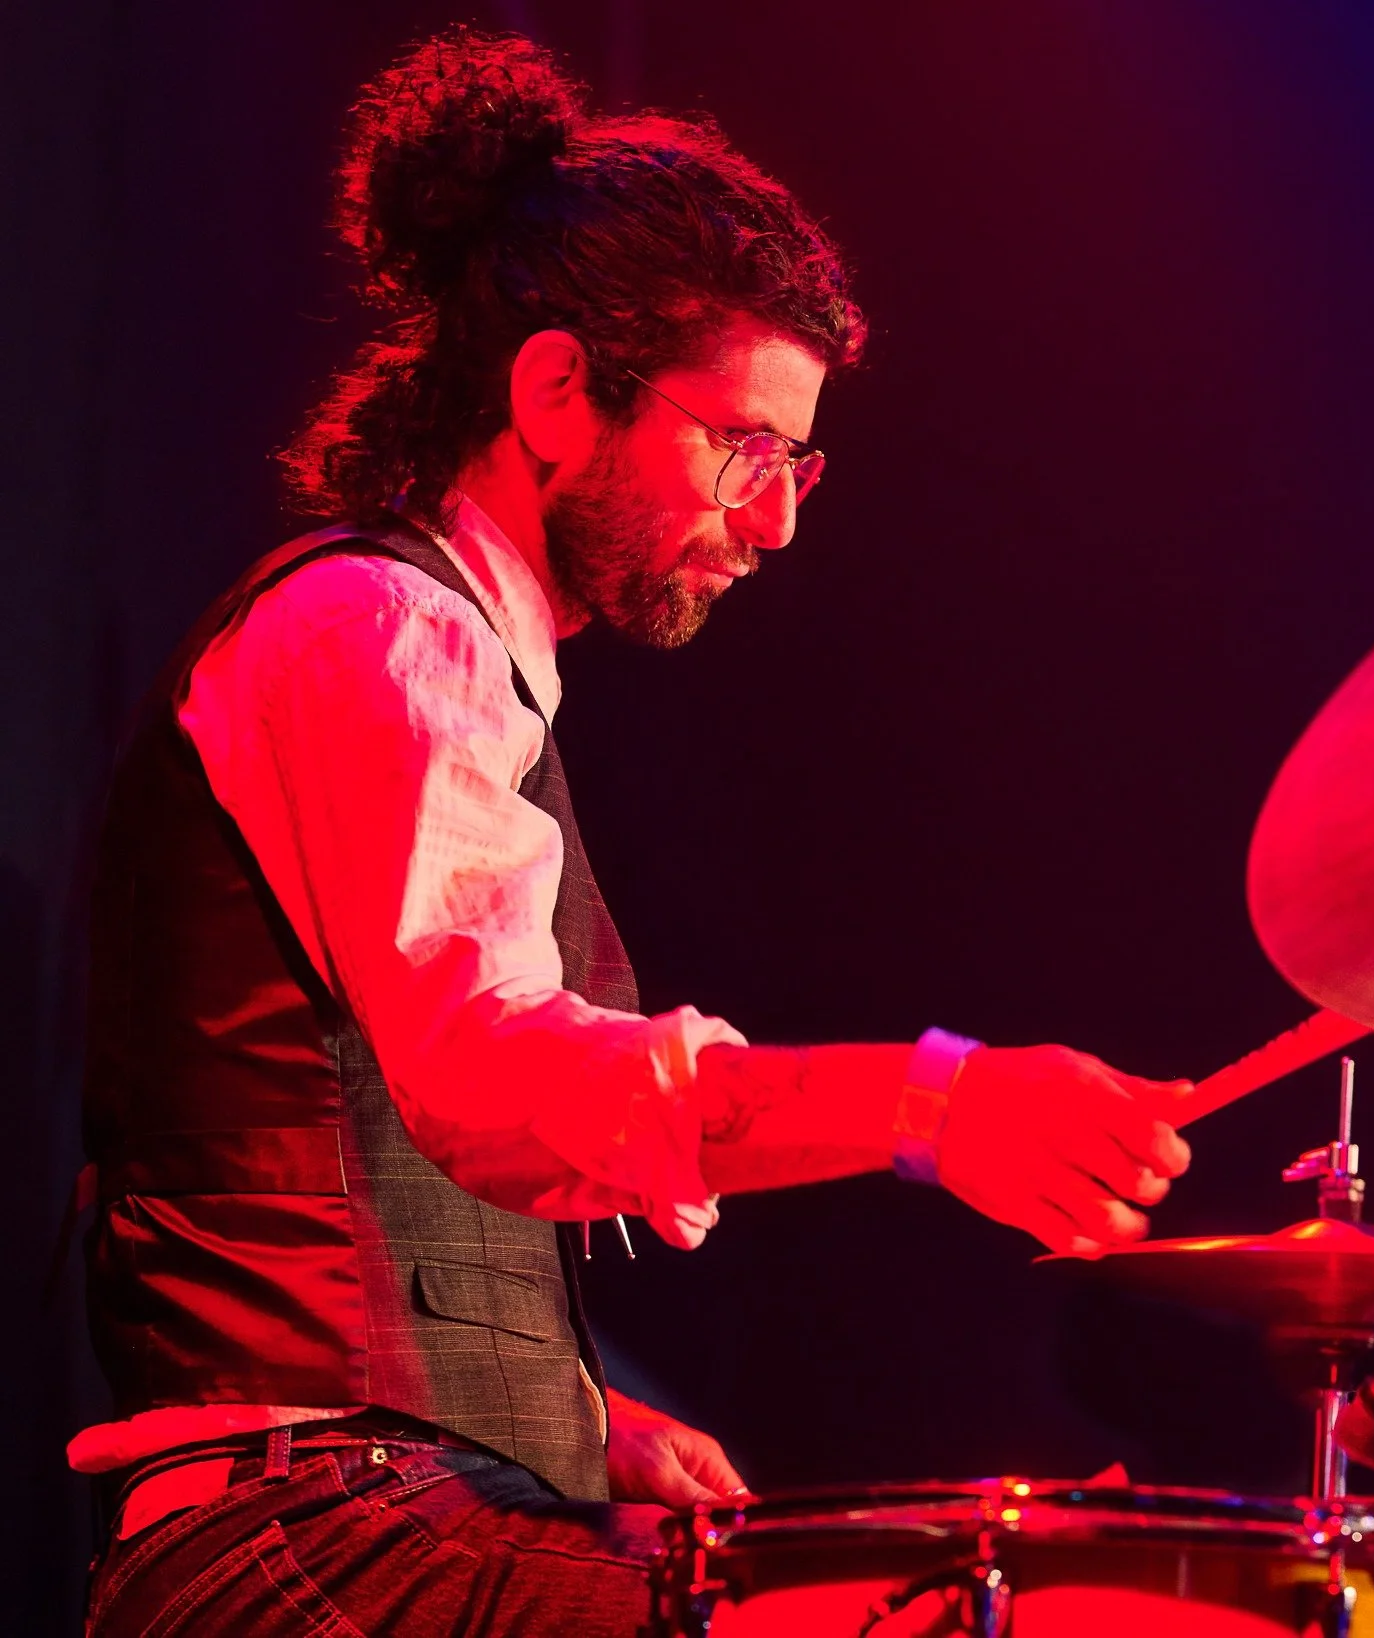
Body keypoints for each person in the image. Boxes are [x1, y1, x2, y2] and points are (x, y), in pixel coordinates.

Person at [76, 29, 1192, 1635]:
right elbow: (498, 1082)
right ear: (553, 390)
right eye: (743, 446)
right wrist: (934, 1102)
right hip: (296, 1547)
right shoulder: (381, 634)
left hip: (377, 1512)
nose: (778, 519)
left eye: (800, 460)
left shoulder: (456, 667)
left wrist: (590, 1428)